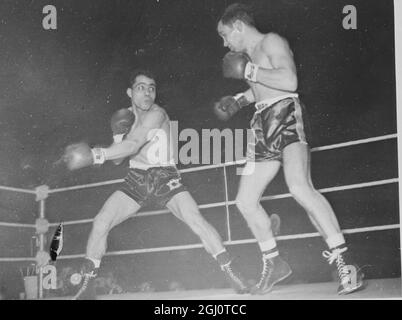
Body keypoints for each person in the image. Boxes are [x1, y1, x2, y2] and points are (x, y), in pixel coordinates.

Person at [214, 3, 364, 295]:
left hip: (285, 115)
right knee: (245, 201)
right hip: (261, 122)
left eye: (224, 35)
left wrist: (250, 70)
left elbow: (289, 79)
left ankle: (346, 262)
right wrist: (239, 101)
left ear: (238, 27)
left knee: (299, 186)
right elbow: (258, 87)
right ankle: (274, 262)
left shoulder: (272, 41)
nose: (224, 43)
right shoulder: (248, 57)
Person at [63, 69, 250, 299]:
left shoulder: (157, 114)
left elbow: (133, 145)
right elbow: (121, 158)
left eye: (152, 87)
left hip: (165, 176)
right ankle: (87, 285)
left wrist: (95, 154)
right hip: (137, 178)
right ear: (130, 92)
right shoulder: (125, 116)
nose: (148, 92)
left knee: (195, 219)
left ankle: (232, 271)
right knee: (101, 220)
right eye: (141, 88)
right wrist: (117, 134)